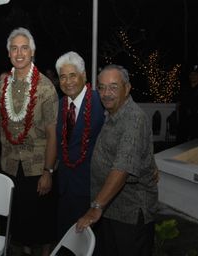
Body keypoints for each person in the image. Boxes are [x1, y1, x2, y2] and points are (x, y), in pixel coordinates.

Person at [76, 64, 158, 256]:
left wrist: (96, 207)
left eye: (113, 87)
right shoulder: (114, 113)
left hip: (130, 213)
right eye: (102, 87)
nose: (106, 93)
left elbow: (122, 168)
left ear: (127, 88)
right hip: (113, 208)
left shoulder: (133, 119)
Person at [0, 27, 58, 256]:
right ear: (9, 54)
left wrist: (48, 171)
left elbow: (52, 133)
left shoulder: (45, 87)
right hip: (10, 167)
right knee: (16, 226)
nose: (19, 53)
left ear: (32, 52)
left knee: (41, 228)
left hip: (37, 168)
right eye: (14, 48)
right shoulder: (2, 86)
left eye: (24, 48)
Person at [54, 52, 105, 240]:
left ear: (83, 75)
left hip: (91, 190)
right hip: (65, 188)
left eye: (72, 75)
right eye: (63, 76)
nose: (67, 82)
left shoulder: (100, 102)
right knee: (66, 240)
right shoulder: (60, 105)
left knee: (89, 244)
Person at [177, 67, 198, 142]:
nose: (192, 76)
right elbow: (180, 102)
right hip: (184, 118)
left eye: (195, 74)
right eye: (191, 74)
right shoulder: (185, 88)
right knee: (181, 139)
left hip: (195, 119)